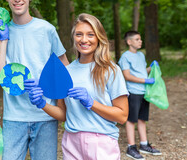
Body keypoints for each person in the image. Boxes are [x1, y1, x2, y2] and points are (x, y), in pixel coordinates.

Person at [0, 0, 69, 160]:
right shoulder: (0, 32)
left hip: (45, 114)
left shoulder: (47, 29)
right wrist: (3, 39)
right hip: (14, 117)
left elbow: (64, 67)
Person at [28, 13, 129, 160]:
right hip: (71, 143)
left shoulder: (110, 70)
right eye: (79, 34)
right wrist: (42, 104)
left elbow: (122, 116)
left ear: (98, 38)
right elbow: (64, 114)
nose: (84, 40)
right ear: (74, 38)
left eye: (90, 35)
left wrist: (91, 103)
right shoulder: (67, 71)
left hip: (101, 142)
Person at [118, 30, 161, 159]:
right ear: (129, 42)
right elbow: (127, 76)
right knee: (131, 120)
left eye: (140, 39)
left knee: (142, 118)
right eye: (137, 39)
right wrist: (145, 80)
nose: (140, 41)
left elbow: (142, 72)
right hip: (133, 92)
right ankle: (131, 147)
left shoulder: (141, 55)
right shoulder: (125, 57)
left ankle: (144, 144)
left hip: (144, 92)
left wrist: (151, 68)